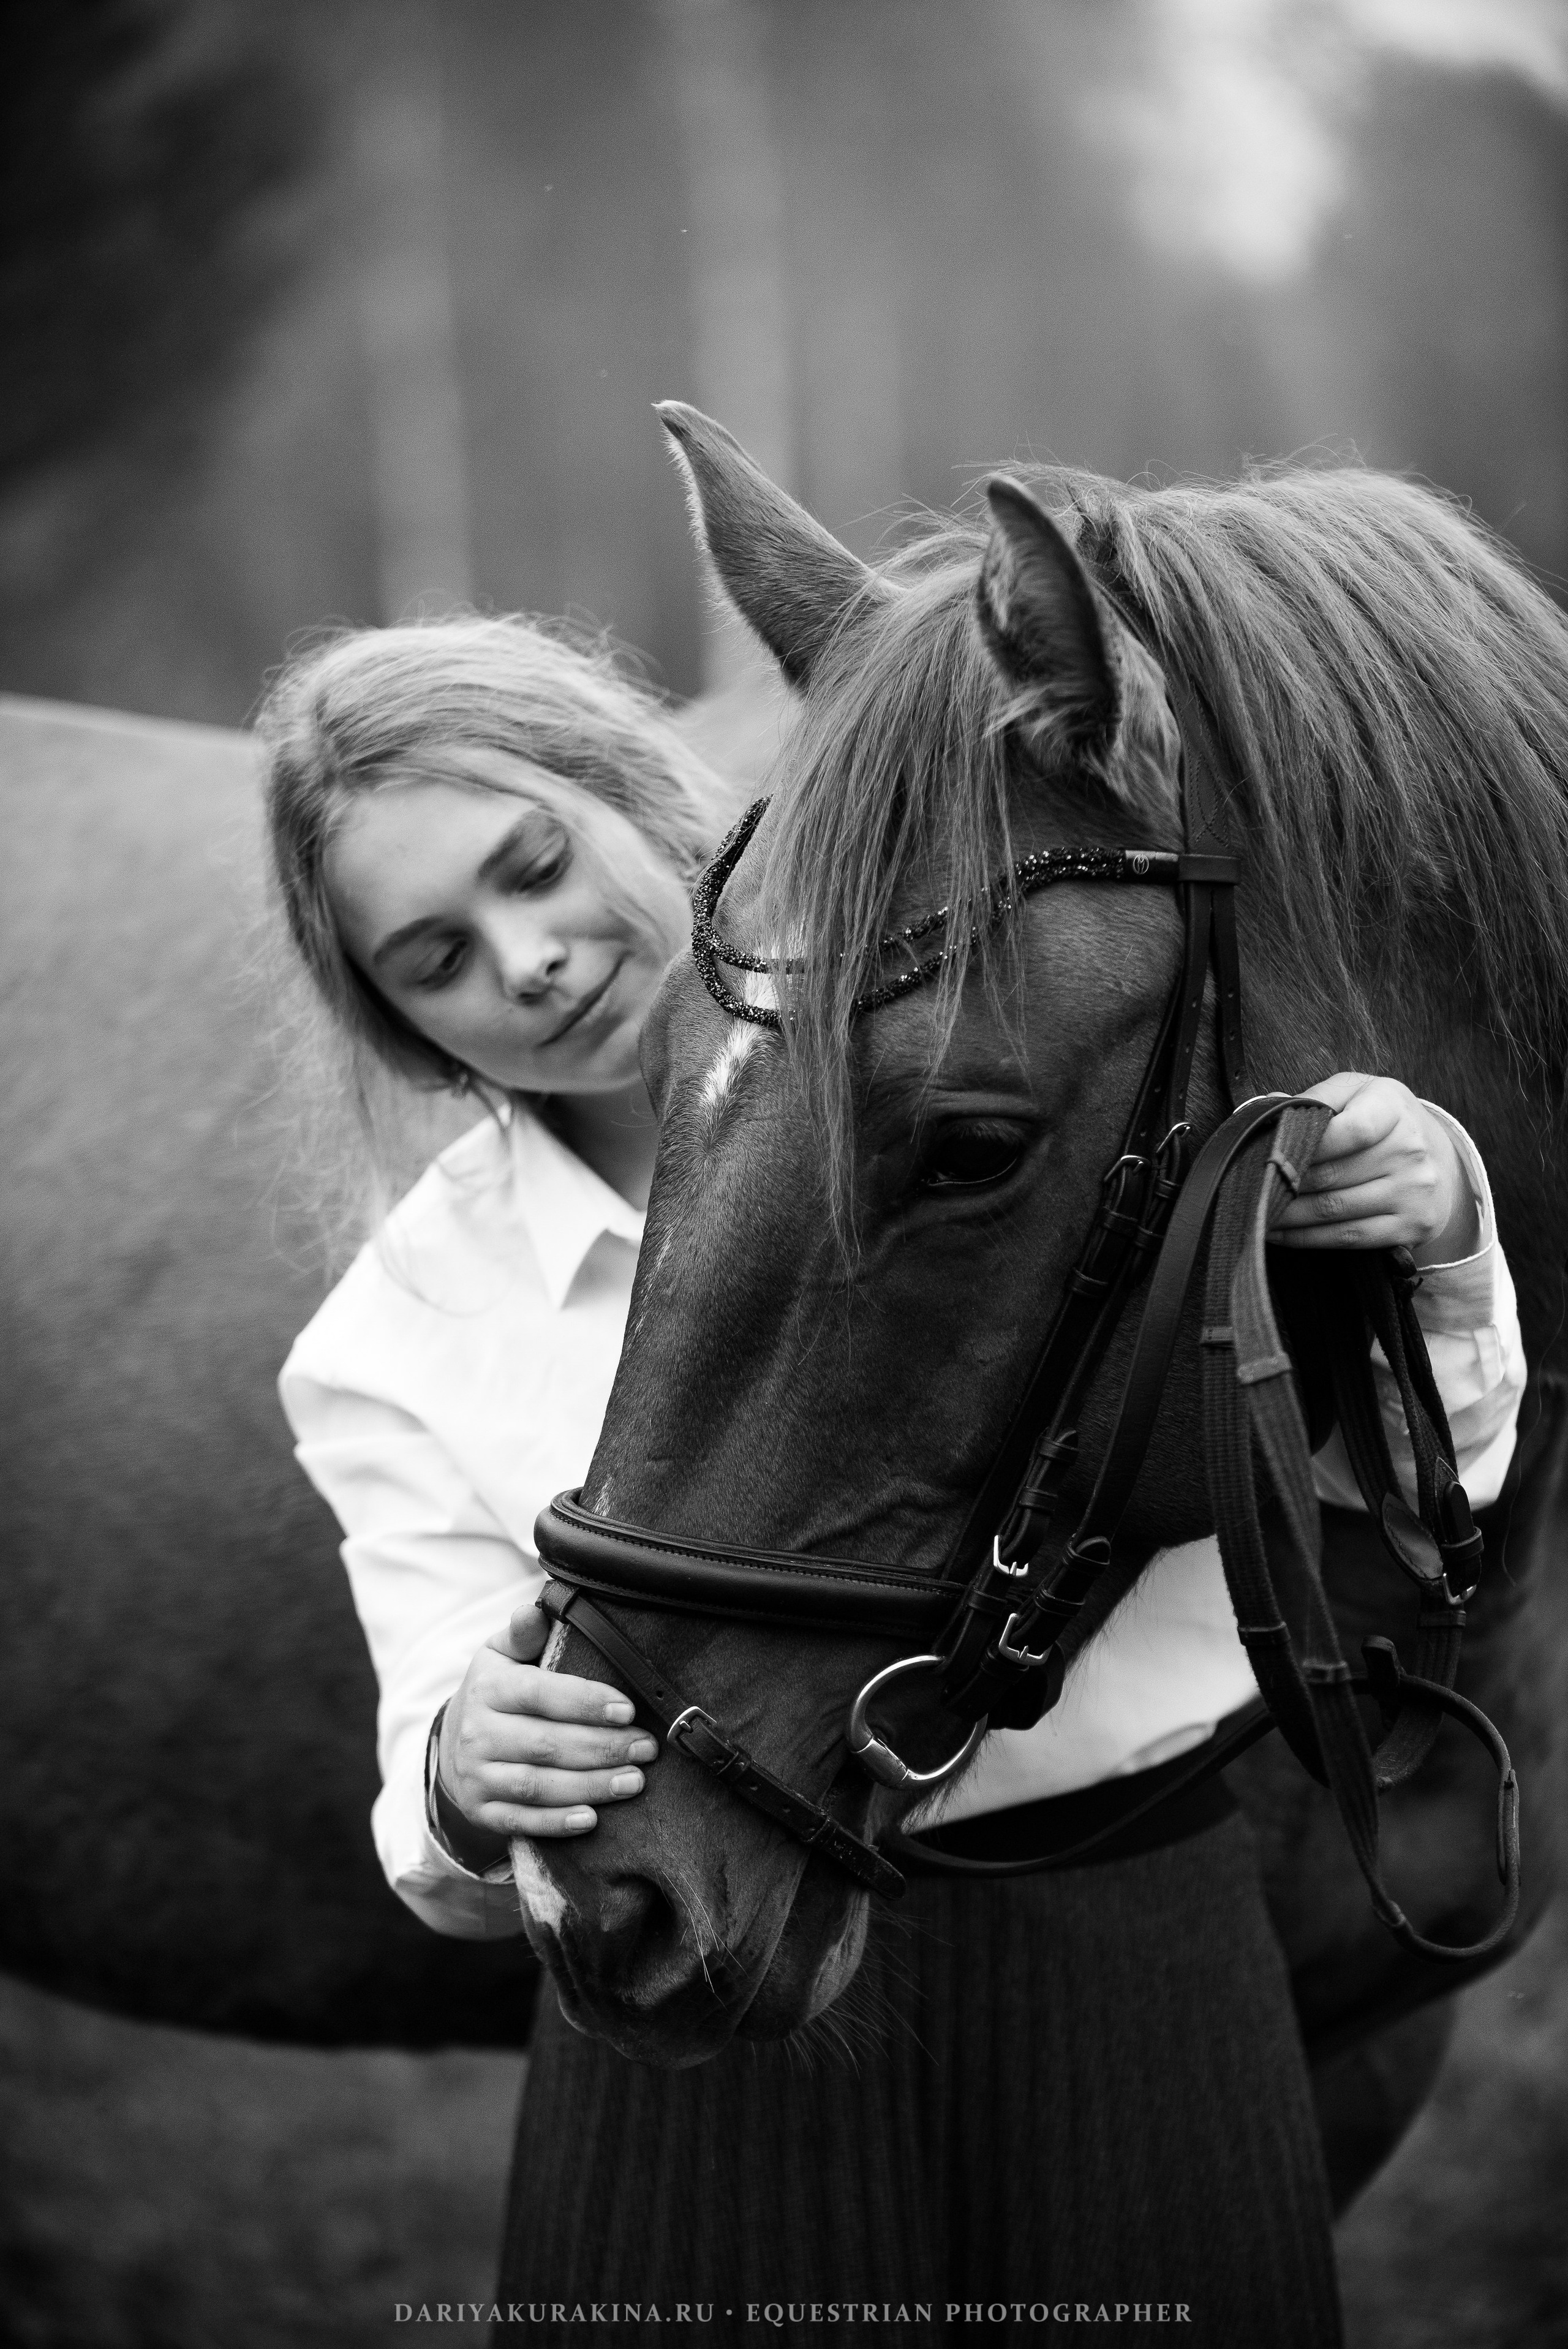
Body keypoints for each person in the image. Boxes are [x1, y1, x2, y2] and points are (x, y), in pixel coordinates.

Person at [262, 611, 1524, 2320]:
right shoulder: (403, 1329)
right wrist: (463, 1770)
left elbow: (1403, 1483)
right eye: (435, 956)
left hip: (1130, 1947)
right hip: (698, 2012)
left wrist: (1430, 1238)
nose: (529, 958)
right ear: (404, 1026)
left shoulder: (1034, 1121)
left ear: (653, 803)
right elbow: (429, 1757)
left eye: (536, 866)